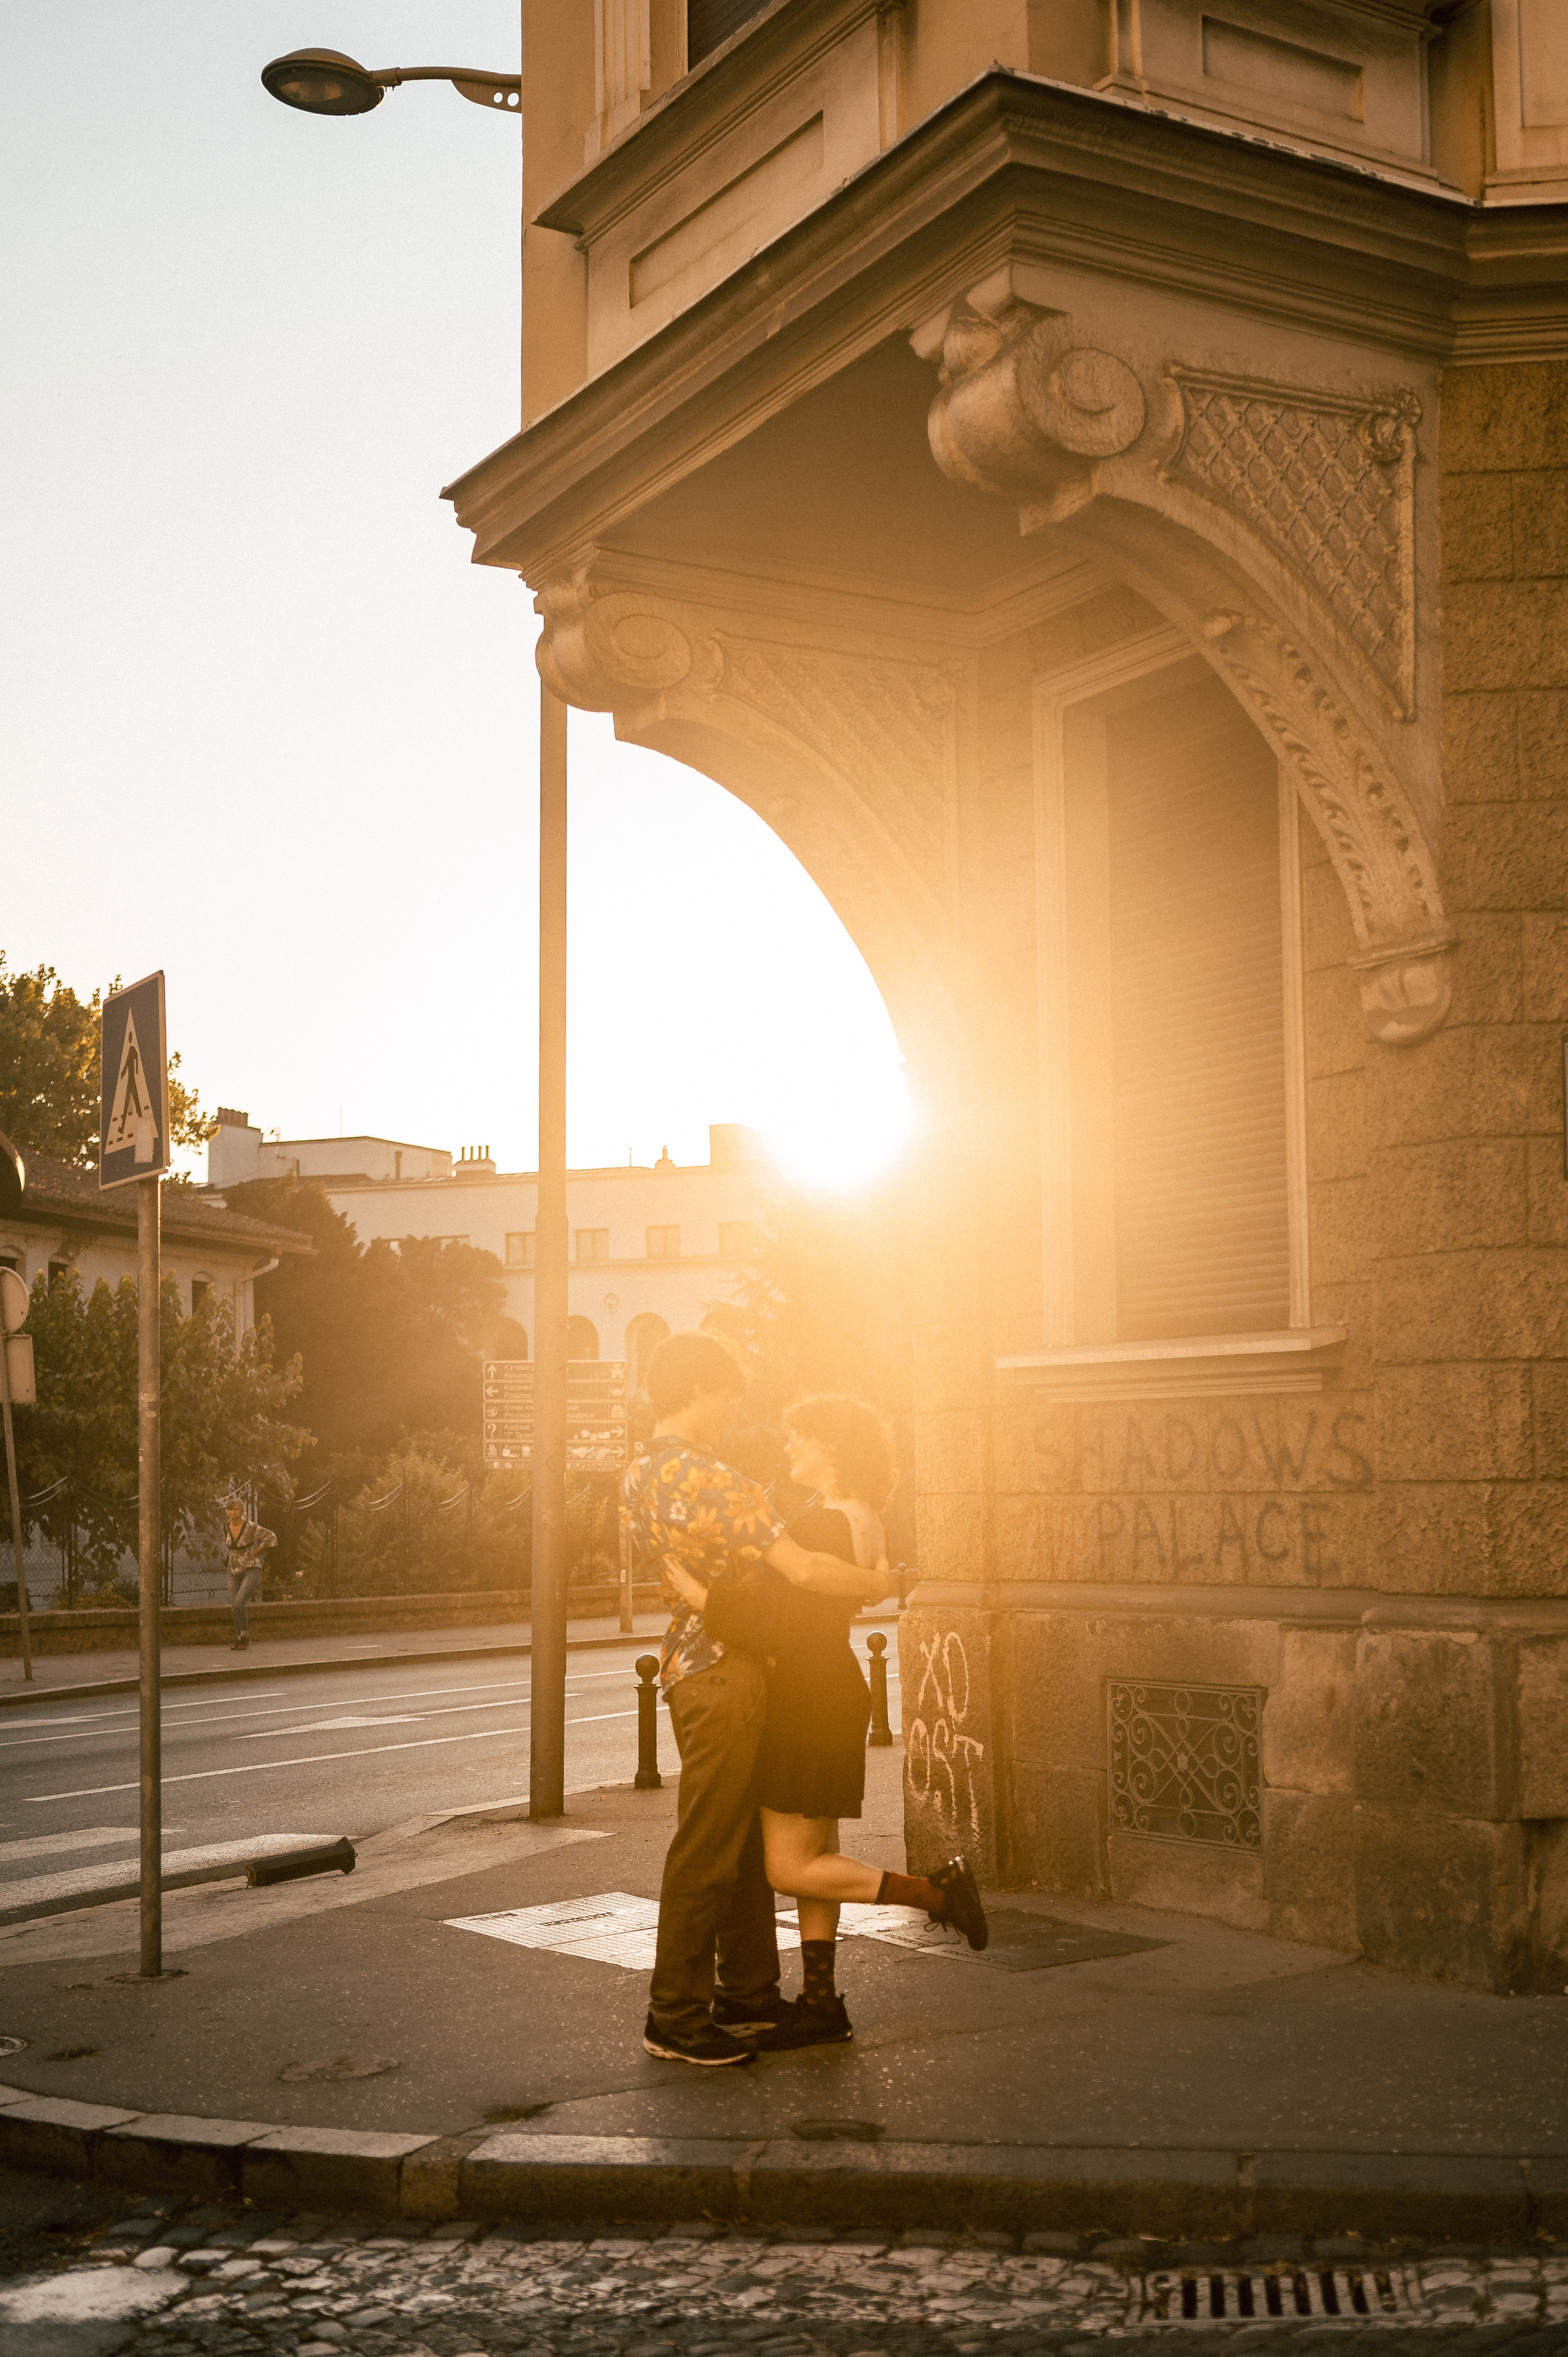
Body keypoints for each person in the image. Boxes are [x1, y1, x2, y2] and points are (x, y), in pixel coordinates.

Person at [665, 1394, 989, 2056]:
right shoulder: (862, 1517)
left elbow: (785, 1622)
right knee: (817, 1853)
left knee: (788, 1866)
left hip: (805, 1696)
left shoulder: (822, 1523)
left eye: (800, 1437)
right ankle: (820, 2003)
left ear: (831, 1447)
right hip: (830, 1688)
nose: (790, 1447)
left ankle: (934, 1893)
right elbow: (831, 1598)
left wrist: (701, 1597)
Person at [626, 1330, 884, 2068]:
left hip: (689, 1665)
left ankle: (747, 1991)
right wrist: (879, 1582)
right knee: (708, 1848)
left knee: (738, 1845)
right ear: (700, 1390)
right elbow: (802, 1570)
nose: (730, 1414)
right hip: (727, 1668)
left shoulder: (638, 1472)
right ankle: (674, 2016)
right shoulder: (713, 1477)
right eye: (726, 1398)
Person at [222, 1496, 276, 1652]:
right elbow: (229, 1546)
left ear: (242, 1511)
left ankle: (245, 1637)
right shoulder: (225, 1528)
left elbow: (271, 1537)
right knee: (235, 1606)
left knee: (239, 1603)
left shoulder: (250, 1527)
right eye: (230, 1509)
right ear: (227, 1512)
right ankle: (240, 1637)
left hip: (250, 1568)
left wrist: (259, 1550)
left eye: (236, 1509)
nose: (233, 1512)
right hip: (233, 1571)